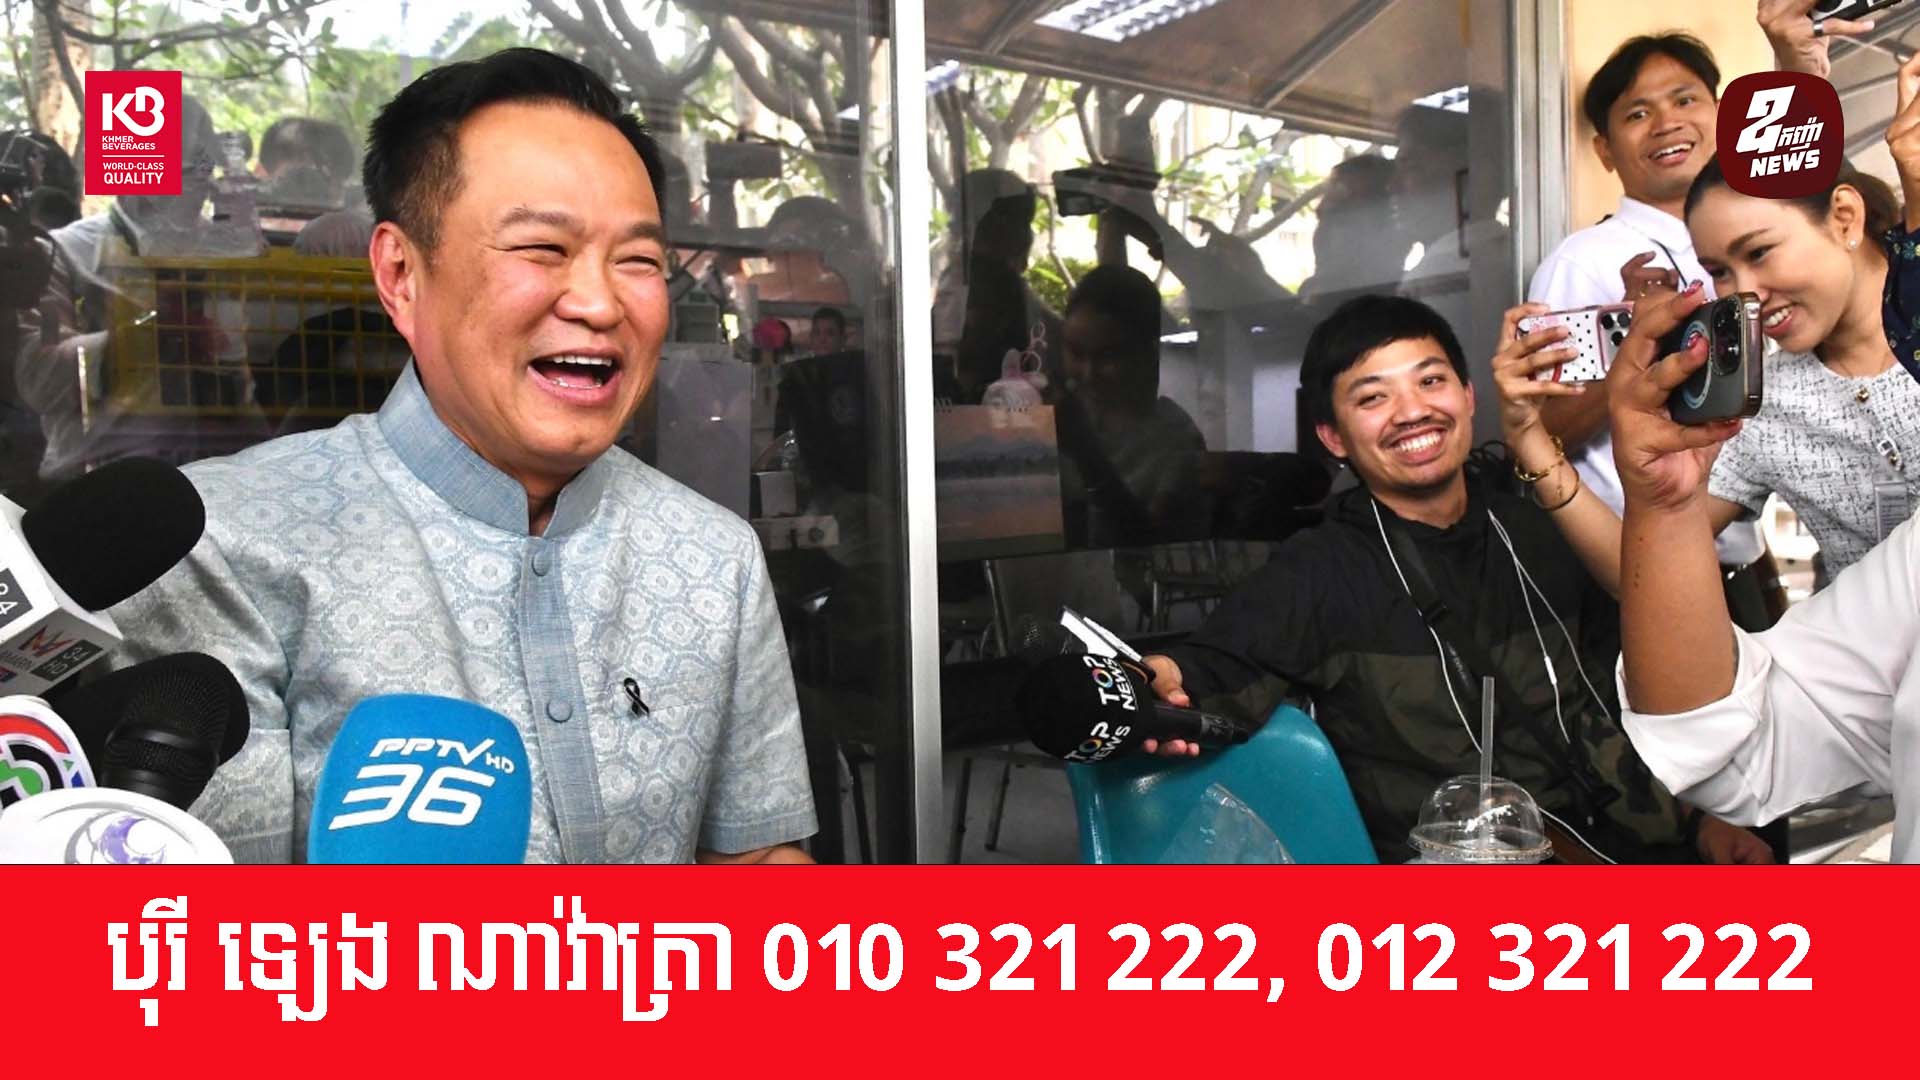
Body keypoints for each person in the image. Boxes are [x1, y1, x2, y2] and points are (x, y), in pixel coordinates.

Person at [107, 48, 817, 865]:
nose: (599, 303)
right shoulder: (225, 546)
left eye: (638, 261)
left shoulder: (715, 557)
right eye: (542, 248)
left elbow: (759, 865)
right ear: (401, 274)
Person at [1138, 294, 1768, 864]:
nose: (1413, 412)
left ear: (1468, 397)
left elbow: (1626, 693)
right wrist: (1156, 680)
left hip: (1630, 849)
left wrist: (1700, 820)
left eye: (1431, 381)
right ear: (1333, 437)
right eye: (1373, 398)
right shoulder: (1319, 571)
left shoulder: (1541, 529)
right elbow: (1212, 671)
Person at [1601, 55, 1920, 865]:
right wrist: (1657, 503)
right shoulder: (1765, 404)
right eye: (1718, 271)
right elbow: (1732, 748)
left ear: (1845, 218)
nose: (1741, 293)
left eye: (1760, 252)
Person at [1526, 33, 1766, 579]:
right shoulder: (1582, 263)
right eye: (1638, 113)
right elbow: (1545, 432)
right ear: (1605, 150)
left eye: (1685, 100)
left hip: (1742, 559)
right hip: (1633, 571)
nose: (1666, 123)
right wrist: (1636, 348)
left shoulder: (1757, 243)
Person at [1055, 264, 1208, 547]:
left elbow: (1154, 552)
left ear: (1148, 353)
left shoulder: (1177, 443)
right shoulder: (1057, 418)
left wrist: (1086, 455)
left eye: (1108, 356)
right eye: (1075, 353)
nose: (1088, 373)